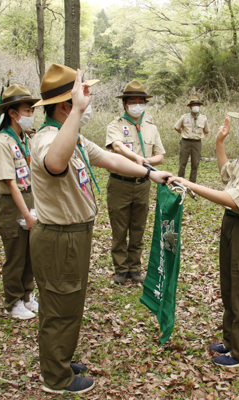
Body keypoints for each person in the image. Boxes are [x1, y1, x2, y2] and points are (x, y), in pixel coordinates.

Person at [29, 64, 171, 394]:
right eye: (83, 97)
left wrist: (149, 172)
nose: (89, 103)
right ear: (66, 105)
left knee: (69, 303)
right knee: (60, 306)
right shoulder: (47, 138)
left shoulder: (73, 136)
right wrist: (79, 111)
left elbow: (109, 160)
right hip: (58, 237)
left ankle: (59, 359)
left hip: (74, 235)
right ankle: (56, 378)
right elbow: (54, 163)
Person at [169, 93, 239, 368]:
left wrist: (190, 184)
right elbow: (227, 175)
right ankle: (231, 340)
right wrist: (219, 142)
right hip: (233, 225)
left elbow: (233, 199)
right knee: (230, 287)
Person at [105, 80, 166, 285]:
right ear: (124, 104)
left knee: (138, 227)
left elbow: (160, 156)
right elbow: (117, 145)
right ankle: (121, 270)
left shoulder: (151, 127)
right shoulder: (115, 125)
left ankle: (135, 267)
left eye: (141, 101)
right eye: (132, 101)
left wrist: (147, 161)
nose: (137, 105)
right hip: (120, 184)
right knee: (120, 228)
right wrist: (135, 158)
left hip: (143, 184)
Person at [0, 84, 39, 320]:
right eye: (27, 111)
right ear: (12, 113)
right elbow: (10, 184)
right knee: (16, 256)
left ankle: (27, 296)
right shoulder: (2, 144)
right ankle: (12, 302)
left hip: (28, 198)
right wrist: (26, 215)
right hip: (12, 205)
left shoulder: (24, 139)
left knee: (30, 253)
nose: (31, 115)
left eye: (31, 111)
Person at [174, 97, 209, 183]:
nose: (195, 107)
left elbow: (206, 131)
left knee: (195, 163)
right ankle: (180, 182)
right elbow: (176, 127)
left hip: (197, 143)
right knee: (182, 163)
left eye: (197, 105)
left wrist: (198, 135)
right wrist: (184, 133)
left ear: (200, 106)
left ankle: (192, 183)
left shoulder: (203, 118)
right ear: (190, 107)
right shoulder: (185, 117)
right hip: (185, 141)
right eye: (193, 105)